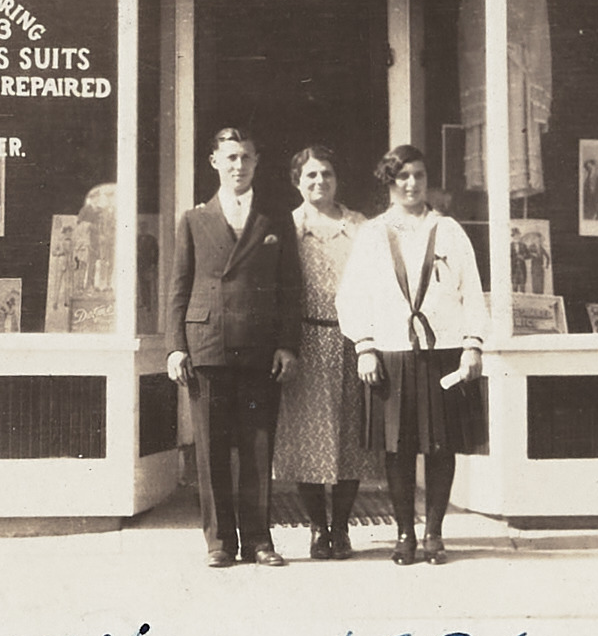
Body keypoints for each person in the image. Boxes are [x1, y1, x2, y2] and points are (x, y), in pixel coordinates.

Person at [337, 144, 490, 566]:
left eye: (418, 176)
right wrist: (365, 347)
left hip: (443, 351)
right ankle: (404, 533)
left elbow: (471, 292)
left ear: (427, 181)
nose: (411, 184)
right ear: (389, 181)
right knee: (398, 448)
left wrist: (473, 344)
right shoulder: (372, 234)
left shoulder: (450, 231)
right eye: (402, 176)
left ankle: (434, 534)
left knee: (441, 447)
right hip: (390, 351)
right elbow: (352, 296)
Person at [166, 128, 303, 568]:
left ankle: (259, 540)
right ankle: (219, 541)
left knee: (258, 446)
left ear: (257, 162)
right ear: (214, 162)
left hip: (260, 346)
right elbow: (179, 287)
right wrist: (175, 347)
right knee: (211, 449)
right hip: (208, 344)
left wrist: (287, 345)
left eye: (245, 157)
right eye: (230, 158)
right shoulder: (194, 219)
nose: (238, 166)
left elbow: (290, 287)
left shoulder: (275, 217)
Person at [273, 146, 384, 560]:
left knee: (351, 438)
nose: (320, 182)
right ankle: (317, 527)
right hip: (305, 340)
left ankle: (342, 527)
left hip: (354, 341)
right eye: (311, 176)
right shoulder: (287, 226)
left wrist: (370, 340)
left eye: (327, 174)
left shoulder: (359, 226)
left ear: (338, 179)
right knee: (307, 438)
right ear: (297, 181)